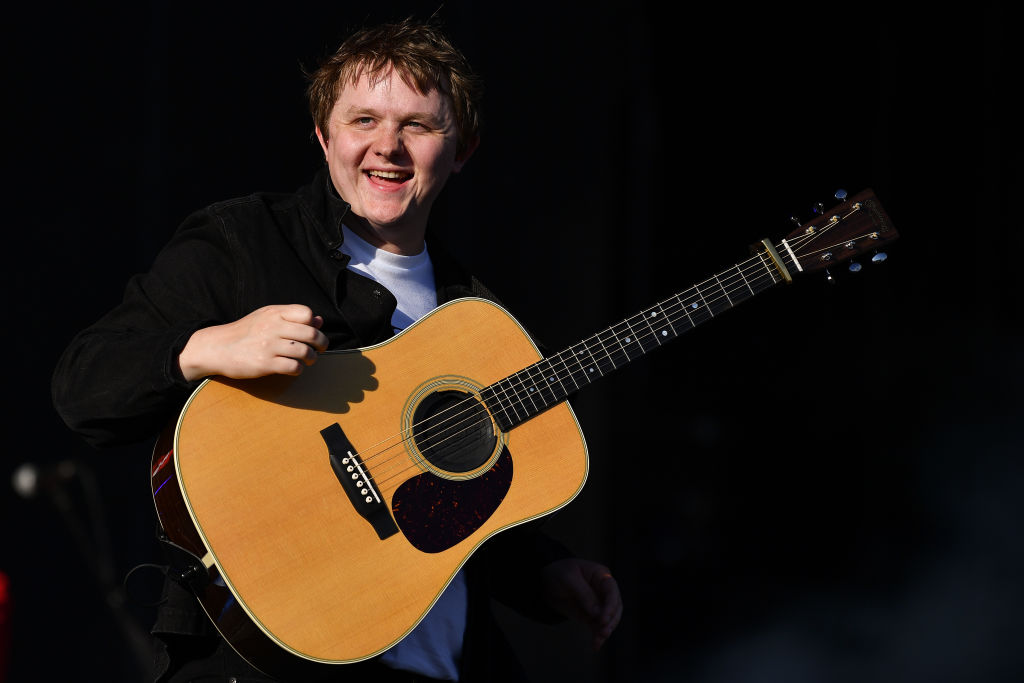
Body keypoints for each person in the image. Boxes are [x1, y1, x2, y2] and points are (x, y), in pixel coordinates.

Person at [51, 17, 622, 683]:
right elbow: (82, 387)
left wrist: (543, 570)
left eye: (418, 124)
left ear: (461, 148)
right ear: (324, 138)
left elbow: (443, 514)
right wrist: (207, 347)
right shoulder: (248, 241)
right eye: (364, 121)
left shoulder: (479, 319)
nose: (388, 146)